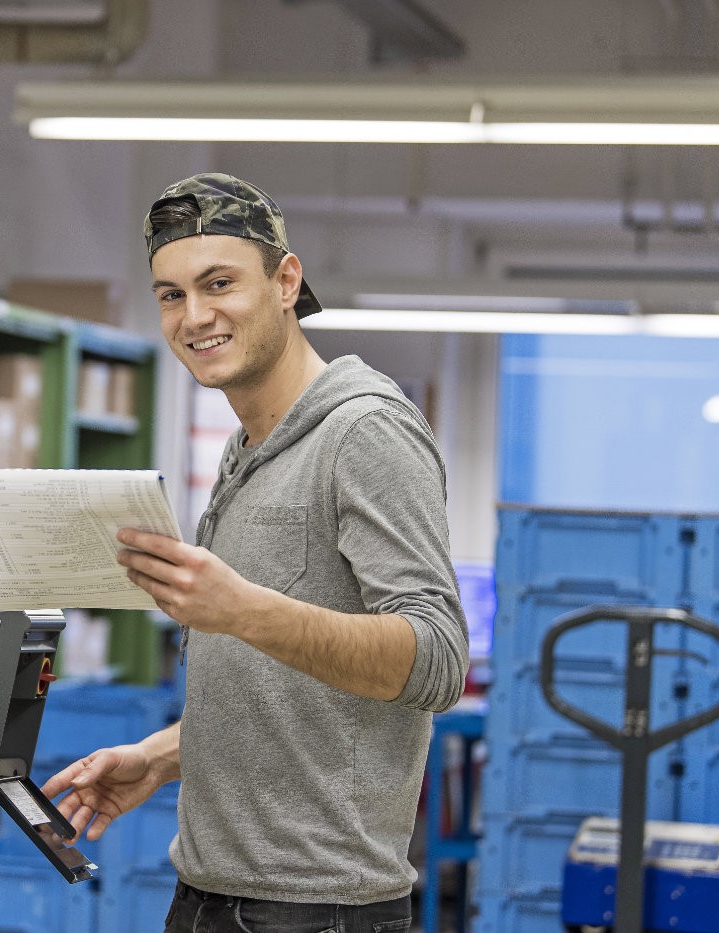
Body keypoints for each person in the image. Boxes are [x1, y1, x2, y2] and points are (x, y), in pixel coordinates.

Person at [42, 173, 470, 932]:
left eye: (218, 284)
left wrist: (242, 610)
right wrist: (161, 755)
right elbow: (290, 697)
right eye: (171, 294)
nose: (194, 316)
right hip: (211, 890)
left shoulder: (363, 431)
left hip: (317, 909)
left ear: (285, 280)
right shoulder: (252, 447)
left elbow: (436, 659)